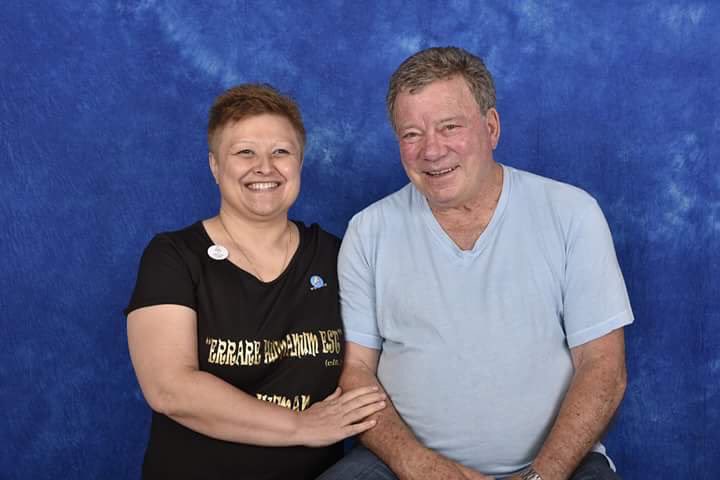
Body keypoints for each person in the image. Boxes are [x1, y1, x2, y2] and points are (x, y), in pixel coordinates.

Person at [319, 47, 633, 480]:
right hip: (402, 466)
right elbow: (356, 372)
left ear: (491, 127)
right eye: (412, 134)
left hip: (557, 465)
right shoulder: (368, 230)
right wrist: (421, 467)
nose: (432, 150)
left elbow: (604, 367)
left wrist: (541, 475)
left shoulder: (571, 213)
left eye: (450, 127)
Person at [124, 84, 386, 479]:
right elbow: (169, 389)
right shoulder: (174, 256)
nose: (265, 167)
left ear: (300, 162)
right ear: (215, 166)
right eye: (244, 152)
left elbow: (375, 362)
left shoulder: (338, 255)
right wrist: (301, 426)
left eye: (280, 152)